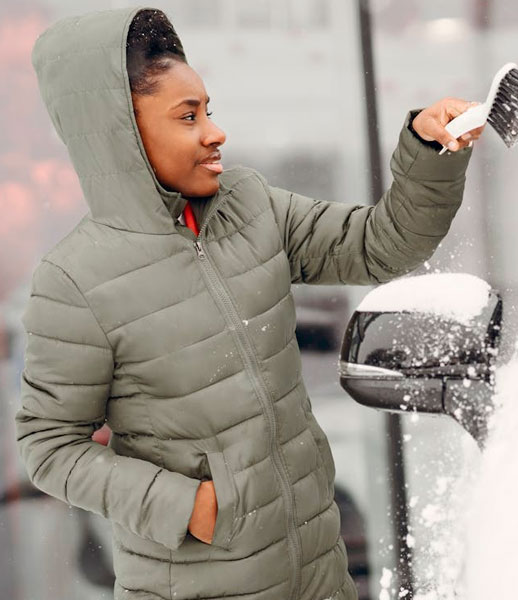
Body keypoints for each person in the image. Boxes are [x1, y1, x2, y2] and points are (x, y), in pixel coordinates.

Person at [15, 7, 482, 600]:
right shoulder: (75, 280)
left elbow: (380, 244)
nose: (215, 133)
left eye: (208, 111)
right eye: (188, 117)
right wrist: (188, 506)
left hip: (317, 571)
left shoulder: (249, 205)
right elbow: (50, 447)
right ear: (122, 135)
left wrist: (428, 151)